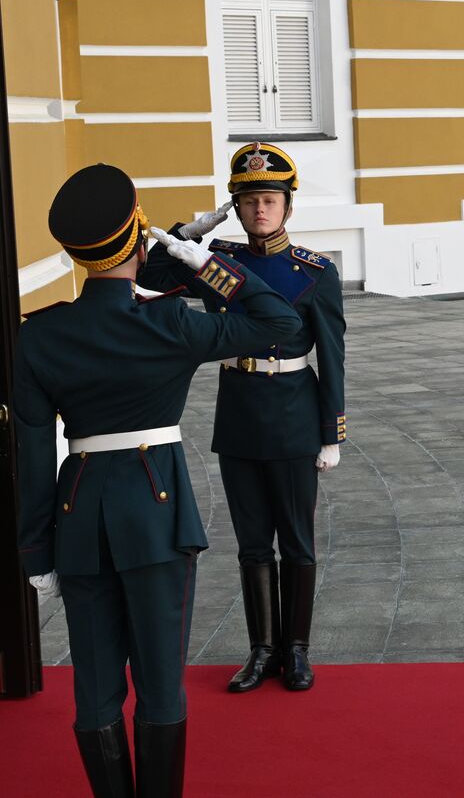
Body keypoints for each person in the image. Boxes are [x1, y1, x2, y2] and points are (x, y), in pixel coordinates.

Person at [14, 164, 302, 797]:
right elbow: (281, 324)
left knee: (94, 686)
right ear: (139, 241)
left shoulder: (40, 335)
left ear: (76, 254)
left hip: (79, 516)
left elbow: (31, 453)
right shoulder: (170, 322)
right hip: (155, 511)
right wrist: (207, 266)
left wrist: (35, 550)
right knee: (160, 681)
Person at [138, 141, 345, 694]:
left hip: (295, 413)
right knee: (252, 543)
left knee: (296, 541)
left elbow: (332, 355)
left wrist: (332, 434)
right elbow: (152, 275)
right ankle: (262, 650)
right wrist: (188, 233)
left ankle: (296, 650)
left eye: (270, 200)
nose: (260, 210)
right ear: (237, 207)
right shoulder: (221, 261)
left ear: (288, 206)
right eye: (249, 200)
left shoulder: (315, 271)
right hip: (239, 415)